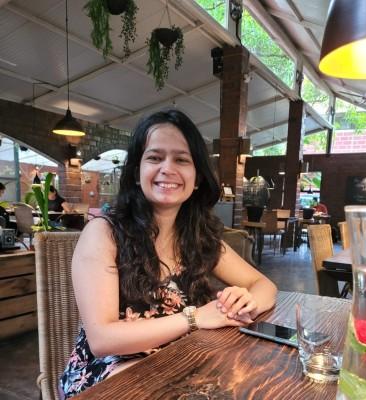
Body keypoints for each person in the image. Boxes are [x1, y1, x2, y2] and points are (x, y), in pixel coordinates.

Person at [59, 110, 277, 398]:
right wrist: (195, 318)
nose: (167, 168)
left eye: (182, 160)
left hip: (179, 363)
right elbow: (102, 339)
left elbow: (265, 286)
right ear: (136, 172)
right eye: (155, 157)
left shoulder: (198, 237)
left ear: (197, 178)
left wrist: (243, 303)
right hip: (108, 375)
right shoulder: (104, 233)